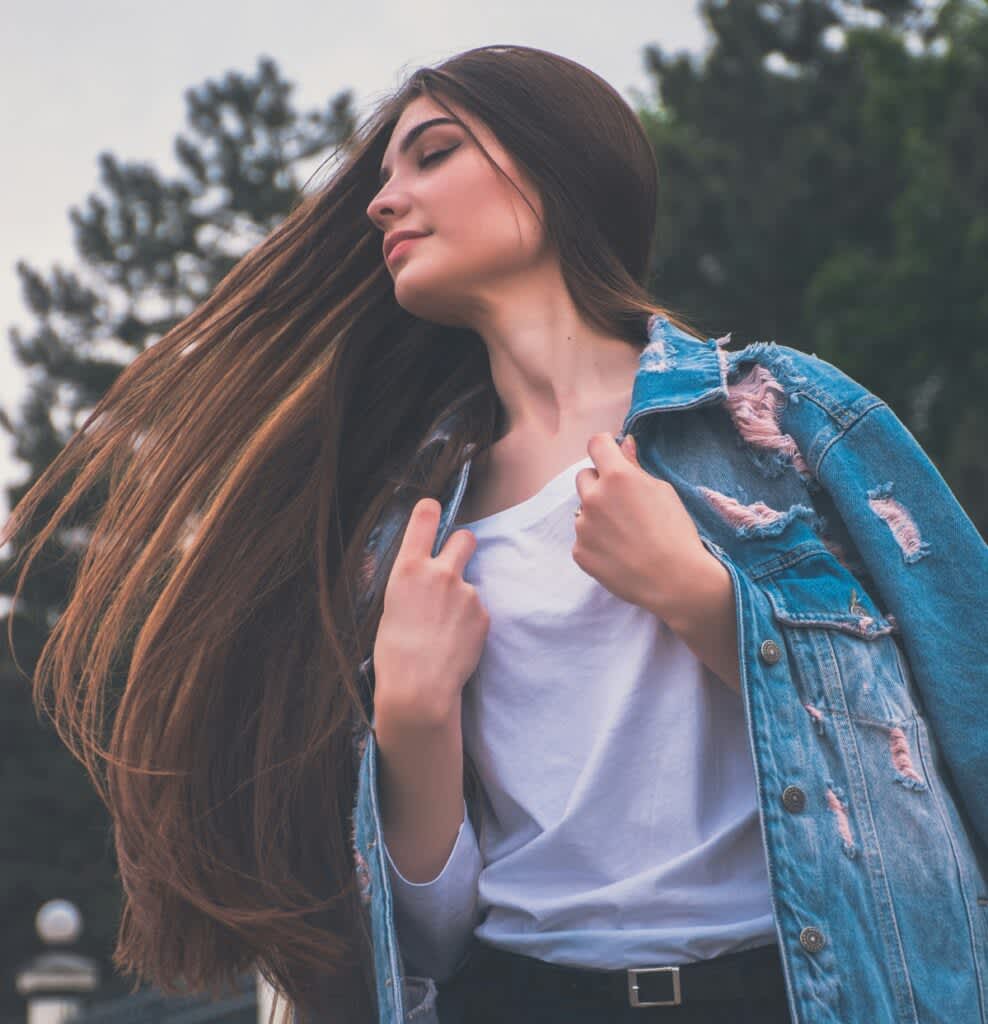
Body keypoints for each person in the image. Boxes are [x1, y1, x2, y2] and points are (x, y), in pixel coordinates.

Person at [3, 43, 986, 1024]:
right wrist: (412, 718)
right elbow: (424, 939)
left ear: (551, 172)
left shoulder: (780, 419)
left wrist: (698, 595)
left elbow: (962, 720)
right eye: (383, 176)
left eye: (432, 154)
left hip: (800, 993)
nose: (383, 201)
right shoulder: (405, 533)